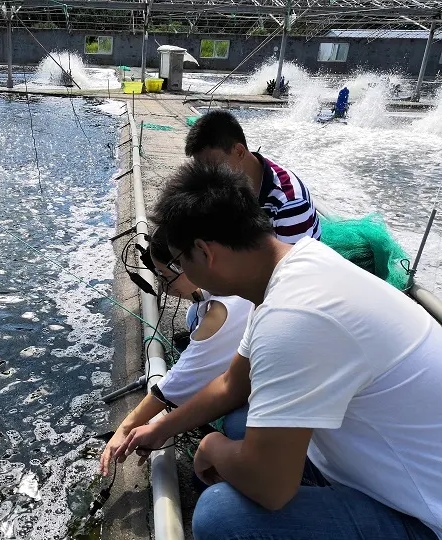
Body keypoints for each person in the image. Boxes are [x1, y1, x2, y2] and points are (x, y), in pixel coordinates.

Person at [115, 161, 442, 540]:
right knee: (240, 424)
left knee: (221, 515)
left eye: (177, 261)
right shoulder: (298, 264)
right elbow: (232, 385)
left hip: (423, 513)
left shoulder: (292, 316)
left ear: (205, 252)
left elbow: (271, 487)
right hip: (389, 462)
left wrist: (211, 446)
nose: (177, 275)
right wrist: (160, 427)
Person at [100, 224, 253, 477]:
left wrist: (125, 429)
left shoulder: (220, 314)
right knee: (194, 312)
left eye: (164, 275)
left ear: (187, 262)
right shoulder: (238, 272)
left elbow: (173, 386)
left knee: (236, 425)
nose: (163, 285)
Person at [186, 110, 320, 244]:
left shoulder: (289, 203)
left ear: (239, 152)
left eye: (213, 166)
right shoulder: (225, 181)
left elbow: (293, 263)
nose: (207, 175)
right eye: (201, 168)